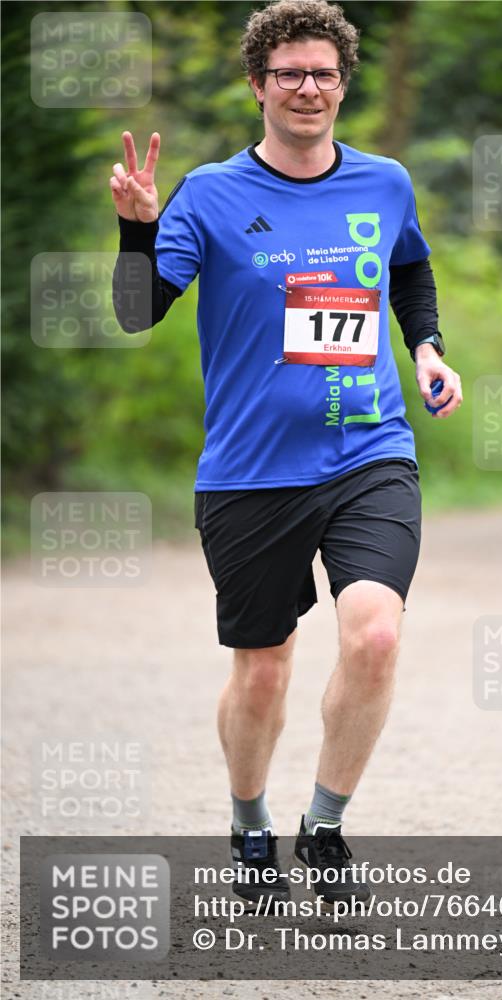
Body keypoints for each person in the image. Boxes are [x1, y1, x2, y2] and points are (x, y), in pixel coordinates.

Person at [111, 0, 462, 910]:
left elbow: (409, 269)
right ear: (258, 85)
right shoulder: (213, 194)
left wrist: (424, 347)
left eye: (323, 73)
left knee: (375, 636)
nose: (308, 88)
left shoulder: (383, 182)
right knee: (263, 667)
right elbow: (136, 311)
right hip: (250, 472)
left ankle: (326, 823)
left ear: (343, 83)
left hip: (369, 451)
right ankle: (248, 819)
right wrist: (139, 231)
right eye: (288, 74)